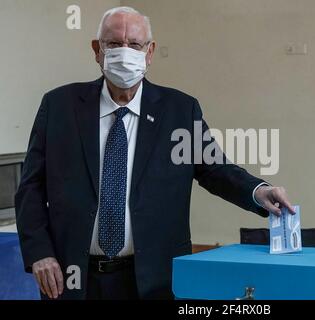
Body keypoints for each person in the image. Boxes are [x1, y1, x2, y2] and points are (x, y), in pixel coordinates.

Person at [15, 6, 294, 300]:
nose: (125, 52)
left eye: (134, 44)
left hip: (152, 280)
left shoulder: (179, 111)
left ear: (149, 52)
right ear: (97, 50)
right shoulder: (59, 107)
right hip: (73, 279)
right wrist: (39, 253)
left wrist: (258, 191)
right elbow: (31, 187)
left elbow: (216, 170)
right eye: (113, 44)